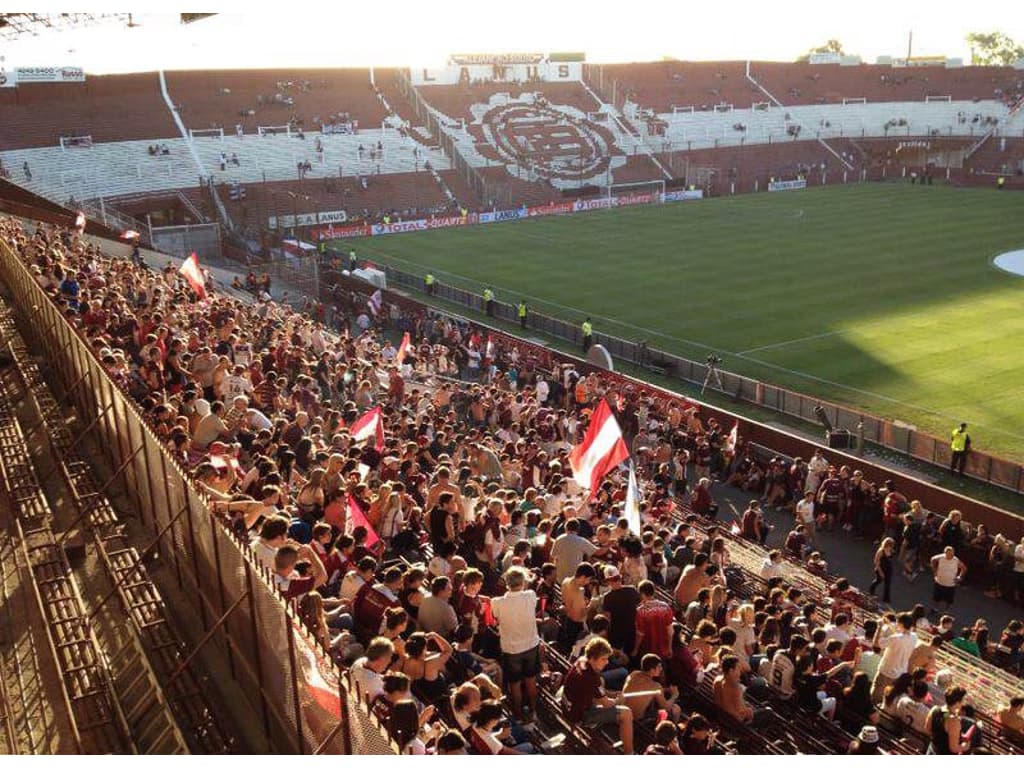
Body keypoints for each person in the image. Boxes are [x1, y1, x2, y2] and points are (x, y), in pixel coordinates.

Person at [563, 637, 634, 754]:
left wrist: (611, 694)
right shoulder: (591, 677)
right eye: (603, 659)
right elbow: (606, 704)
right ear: (592, 658)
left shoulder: (581, 661)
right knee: (626, 713)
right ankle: (629, 753)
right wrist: (618, 700)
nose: (607, 662)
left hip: (568, 706)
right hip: (578, 716)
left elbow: (595, 691)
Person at [489, 567, 541, 722]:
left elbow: (494, 617)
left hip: (511, 650)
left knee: (515, 684)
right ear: (522, 582)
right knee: (531, 680)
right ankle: (533, 711)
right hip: (530, 646)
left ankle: (518, 715)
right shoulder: (531, 596)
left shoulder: (496, 602)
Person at [925, 685, 972, 754]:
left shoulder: (934, 709)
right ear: (957, 703)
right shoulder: (953, 721)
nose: (963, 703)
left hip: (931, 750)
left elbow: (927, 729)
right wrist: (966, 745)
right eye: (963, 700)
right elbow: (954, 748)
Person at [930, 546, 966, 614]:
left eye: (951, 554)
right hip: (939, 581)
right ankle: (935, 609)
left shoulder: (956, 560)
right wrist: (934, 571)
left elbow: (964, 568)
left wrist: (959, 577)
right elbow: (932, 559)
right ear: (945, 553)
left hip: (951, 584)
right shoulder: (941, 557)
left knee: (949, 600)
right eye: (947, 554)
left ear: (953, 554)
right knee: (937, 597)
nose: (949, 556)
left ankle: (946, 611)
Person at [868, 537, 895, 605]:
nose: (891, 547)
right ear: (886, 544)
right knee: (878, 580)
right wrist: (880, 572)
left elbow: (890, 558)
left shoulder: (891, 550)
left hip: (888, 569)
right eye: (890, 545)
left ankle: (886, 598)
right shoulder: (881, 551)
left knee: (887, 583)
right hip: (881, 569)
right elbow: (876, 561)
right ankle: (871, 589)